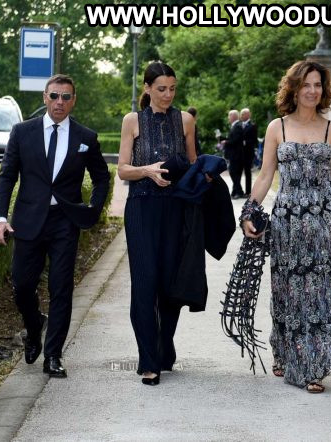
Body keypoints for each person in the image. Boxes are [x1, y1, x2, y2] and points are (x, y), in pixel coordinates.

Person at [241, 61, 331, 393]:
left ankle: (312, 367)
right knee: (287, 292)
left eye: (318, 85)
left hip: (324, 223)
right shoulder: (277, 127)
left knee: (318, 294)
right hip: (286, 224)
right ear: (294, 88)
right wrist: (250, 210)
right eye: (306, 84)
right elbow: (265, 175)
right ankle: (285, 352)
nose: (312, 91)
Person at [0, 74, 111, 378]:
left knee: (61, 288)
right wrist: (0, 218)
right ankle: (34, 328)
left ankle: (53, 355)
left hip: (64, 222)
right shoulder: (22, 132)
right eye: (55, 96)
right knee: (22, 285)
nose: (60, 102)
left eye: (66, 97)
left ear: (73, 101)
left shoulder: (86, 137)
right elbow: (7, 176)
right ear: (45, 97)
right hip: (28, 221)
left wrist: (93, 208)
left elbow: (102, 177)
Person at [117, 61, 197, 386]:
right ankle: (148, 360)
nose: (168, 95)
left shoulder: (186, 120)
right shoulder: (132, 121)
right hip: (141, 208)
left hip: (176, 210)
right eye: (161, 89)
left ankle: (165, 346)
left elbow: (193, 164)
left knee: (170, 285)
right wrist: (147, 171)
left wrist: (195, 174)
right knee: (144, 283)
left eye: (172, 89)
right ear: (148, 88)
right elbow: (122, 169)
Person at [224, 109, 245, 198]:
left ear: (233, 116)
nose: (228, 118)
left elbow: (235, 140)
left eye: (229, 116)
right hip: (234, 154)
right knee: (235, 174)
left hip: (236, 155)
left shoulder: (238, 126)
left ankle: (239, 192)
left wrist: (225, 142)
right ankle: (235, 192)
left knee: (233, 173)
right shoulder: (235, 126)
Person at [239, 108, 257, 196]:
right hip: (239, 153)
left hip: (248, 153)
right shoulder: (239, 125)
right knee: (237, 172)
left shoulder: (252, 125)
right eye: (241, 114)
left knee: (247, 172)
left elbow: (254, 140)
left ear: (248, 115)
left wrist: (245, 142)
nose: (241, 116)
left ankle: (248, 191)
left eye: (243, 114)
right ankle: (238, 191)